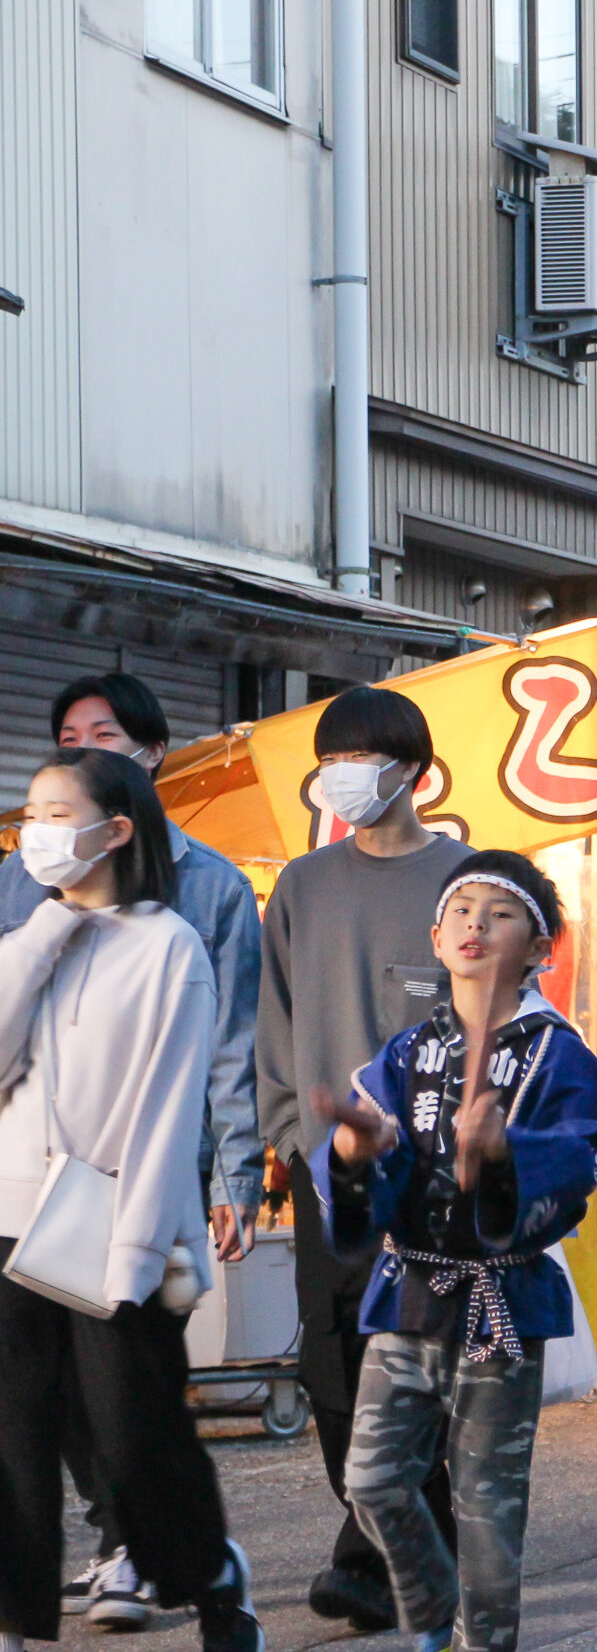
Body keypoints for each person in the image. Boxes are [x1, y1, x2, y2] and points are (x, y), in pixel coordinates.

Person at [0, 675, 263, 1626]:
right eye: (33, 812)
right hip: (10, 1208)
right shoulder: (28, 923)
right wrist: (44, 932)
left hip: (113, 1213)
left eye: (59, 814)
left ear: (117, 828)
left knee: (136, 1428)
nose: (36, 829)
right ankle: (15, 1617)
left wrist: (139, 1247)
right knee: (14, 1433)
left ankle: (209, 1575)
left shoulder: (171, 942)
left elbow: (169, 1105)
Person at [304, 853, 597, 1652]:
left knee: (486, 1505)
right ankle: (431, 1598)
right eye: (462, 909)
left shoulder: (561, 1055)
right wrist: (354, 1147)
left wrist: (508, 1151)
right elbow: (364, 1163)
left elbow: (583, 1157)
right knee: (369, 1480)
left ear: (542, 946)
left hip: (497, 1302)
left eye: (500, 912)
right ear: (437, 937)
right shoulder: (406, 1053)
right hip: (408, 1290)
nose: (476, 923)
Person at [255, 685, 474, 1630]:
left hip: (432, 1178)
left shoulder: (468, 880)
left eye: (364, 756)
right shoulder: (302, 885)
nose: (342, 775)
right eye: (330, 756)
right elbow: (273, 1020)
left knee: (421, 1360)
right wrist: (280, 1137)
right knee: (334, 1368)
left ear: (415, 772)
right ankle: (389, 1541)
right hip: (328, 1173)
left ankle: (384, 1557)